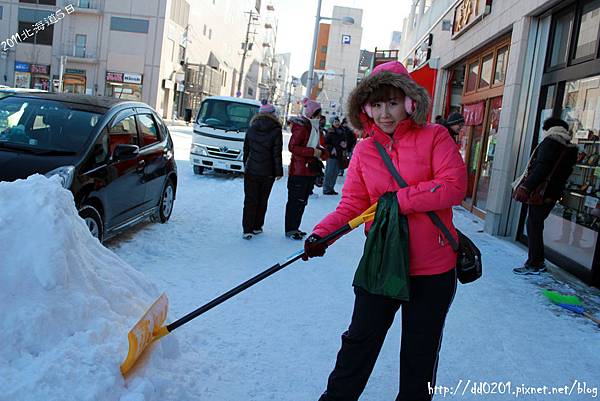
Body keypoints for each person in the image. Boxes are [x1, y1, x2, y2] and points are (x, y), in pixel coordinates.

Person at [303, 61, 467, 401]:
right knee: (358, 344)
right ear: (365, 108)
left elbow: (453, 186)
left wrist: (398, 200)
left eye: (392, 102)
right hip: (381, 264)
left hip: (432, 269)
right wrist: (322, 235)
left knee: (419, 357)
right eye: (376, 104)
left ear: (410, 101)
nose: (384, 113)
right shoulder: (364, 149)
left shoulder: (434, 136)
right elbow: (352, 205)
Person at [513, 117, 577, 274]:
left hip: (540, 192)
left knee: (533, 226)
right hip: (552, 193)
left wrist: (526, 187)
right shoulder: (570, 148)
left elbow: (541, 168)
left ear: (549, 128)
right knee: (536, 225)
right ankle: (536, 260)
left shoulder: (551, 142)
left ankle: (535, 262)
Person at [285, 98, 328, 240]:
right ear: (312, 113)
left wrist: (322, 152)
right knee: (295, 201)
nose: (320, 117)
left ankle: (295, 227)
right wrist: (311, 152)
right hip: (298, 171)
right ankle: (290, 230)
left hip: (309, 170)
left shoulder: (314, 127)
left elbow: (319, 146)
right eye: (318, 114)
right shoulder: (302, 127)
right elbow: (292, 147)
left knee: (302, 201)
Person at [241, 103, 283, 239]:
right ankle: (257, 226)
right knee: (262, 199)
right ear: (273, 114)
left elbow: (246, 149)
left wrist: (245, 164)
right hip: (268, 171)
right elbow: (277, 153)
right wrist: (278, 171)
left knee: (250, 200)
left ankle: (247, 229)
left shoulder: (252, 128)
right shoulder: (276, 130)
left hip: (251, 170)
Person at [323, 117, 347, 195]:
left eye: (338, 121)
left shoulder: (342, 131)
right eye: (335, 121)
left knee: (335, 172)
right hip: (332, 155)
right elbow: (325, 143)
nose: (337, 123)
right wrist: (332, 148)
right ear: (332, 123)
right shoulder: (330, 131)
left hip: (340, 155)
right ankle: (326, 188)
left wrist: (345, 145)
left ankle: (331, 188)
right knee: (329, 172)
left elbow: (344, 141)